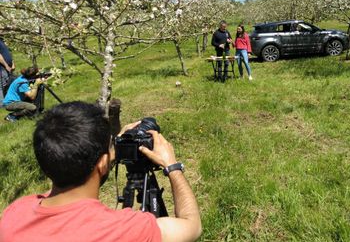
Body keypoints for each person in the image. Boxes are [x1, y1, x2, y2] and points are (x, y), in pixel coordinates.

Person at [0, 102, 202, 242]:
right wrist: (172, 166)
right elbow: (191, 225)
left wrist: (111, 151)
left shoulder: (14, 213)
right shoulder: (125, 230)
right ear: (103, 163)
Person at [0, 38, 15, 105]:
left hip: (8, 67)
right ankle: (2, 103)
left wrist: (12, 63)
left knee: (7, 84)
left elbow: (8, 52)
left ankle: (7, 101)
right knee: (3, 85)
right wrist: (6, 65)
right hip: (2, 67)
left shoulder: (2, 40)